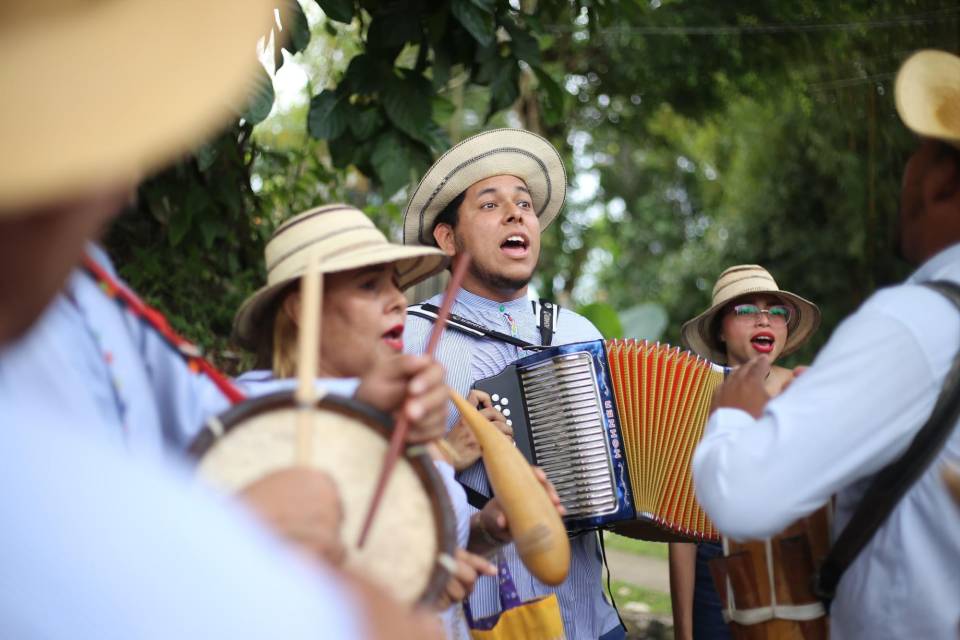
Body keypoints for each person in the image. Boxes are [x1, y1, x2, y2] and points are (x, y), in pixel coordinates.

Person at [0, 2, 441, 638]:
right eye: (93, 122)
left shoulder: (95, 288)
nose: (125, 189)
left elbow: (214, 421)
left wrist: (361, 405)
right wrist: (232, 530)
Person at [692, 49, 960, 640]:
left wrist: (735, 418)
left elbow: (745, 496)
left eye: (916, 154)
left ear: (940, 179)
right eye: (745, 310)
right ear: (718, 331)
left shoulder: (914, 322)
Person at [232, 203, 566, 638]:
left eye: (394, 284)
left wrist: (488, 526)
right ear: (301, 308)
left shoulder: (389, 409)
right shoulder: (258, 419)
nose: (396, 301)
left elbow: (428, 537)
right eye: (370, 286)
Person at [402, 128, 625, 639]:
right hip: (485, 619)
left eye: (524, 203)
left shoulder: (579, 334)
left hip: (595, 619)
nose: (516, 213)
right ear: (447, 237)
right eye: (489, 204)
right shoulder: (412, 339)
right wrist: (446, 451)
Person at [670, 265, 821, 640]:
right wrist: (684, 632)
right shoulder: (693, 399)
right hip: (714, 561)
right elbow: (682, 531)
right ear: (720, 329)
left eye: (775, 311)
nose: (763, 319)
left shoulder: (808, 389)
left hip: (798, 563)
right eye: (746, 310)